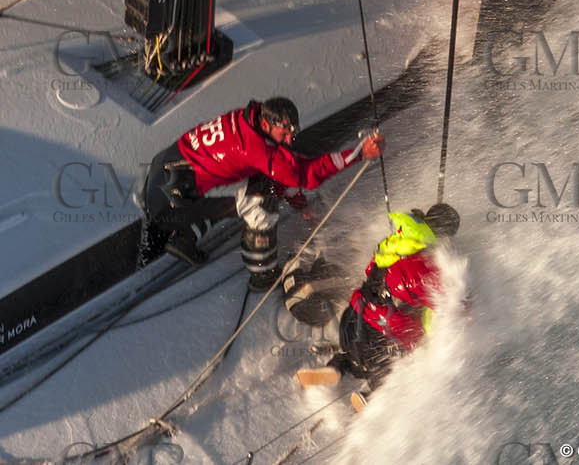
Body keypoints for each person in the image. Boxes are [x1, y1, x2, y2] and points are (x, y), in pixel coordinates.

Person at [140, 97, 384, 288]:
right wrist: (359, 153)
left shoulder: (247, 119)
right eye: (284, 134)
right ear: (267, 124)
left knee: (249, 187)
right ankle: (261, 273)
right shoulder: (255, 149)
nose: (289, 140)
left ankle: (184, 236)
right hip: (172, 200)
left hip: (165, 173)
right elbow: (304, 175)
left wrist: (299, 204)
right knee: (261, 204)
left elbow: (280, 171)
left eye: (292, 134)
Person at [296, 203, 459, 406]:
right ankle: (371, 398)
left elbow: (370, 270)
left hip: (355, 315)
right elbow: (443, 304)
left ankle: (336, 367)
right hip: (383, 334)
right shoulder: (426, 268)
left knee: (350, 351)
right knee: (391, 368)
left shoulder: (398, 240)